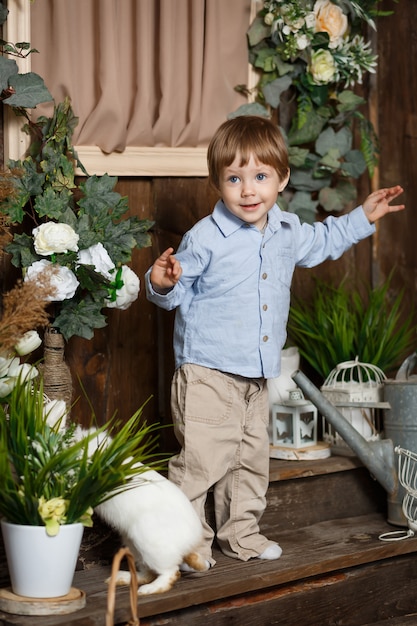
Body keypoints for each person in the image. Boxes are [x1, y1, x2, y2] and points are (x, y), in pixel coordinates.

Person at [145, 115, 405, 569]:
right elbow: (173, 294)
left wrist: (364, 216)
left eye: (260, 176)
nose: (248, 190)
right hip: (208, 371)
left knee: (249, 462)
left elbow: (325, 240)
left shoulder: (287, 231)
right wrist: (162, 280)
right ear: (217, 182)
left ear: (281, 178)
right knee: (202, 463)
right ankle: (185, 544)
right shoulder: (205, 237)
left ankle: (241, 535)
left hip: (257, 374)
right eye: (234, 178)